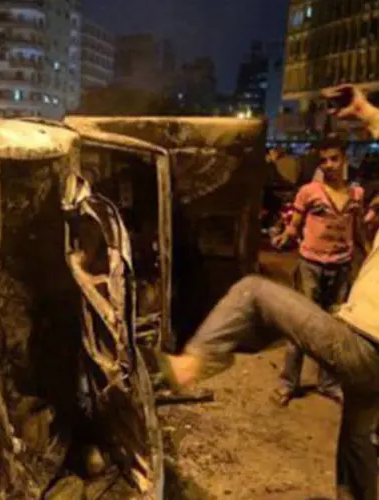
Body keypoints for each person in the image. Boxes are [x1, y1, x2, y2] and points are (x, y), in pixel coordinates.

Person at [159, 84, 379, 500]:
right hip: (364, 353)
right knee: (355, 442)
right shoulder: (314, 194)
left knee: (254, 292)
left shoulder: (352, 198)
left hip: (365, 347)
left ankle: (192, 364)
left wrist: (366, 112)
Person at [271, 135, 367, 406]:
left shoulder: (355, 194)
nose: (328, 165)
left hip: (341, 267)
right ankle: (288, 383)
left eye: (334, 159)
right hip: (311, 266)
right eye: (323, 160)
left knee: (334, 330)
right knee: (301, 326)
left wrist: (369, 256)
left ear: (344, 160)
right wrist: (285, 237)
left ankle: (329, 383)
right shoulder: (309, 192)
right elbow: (295, 225)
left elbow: (357, 229)